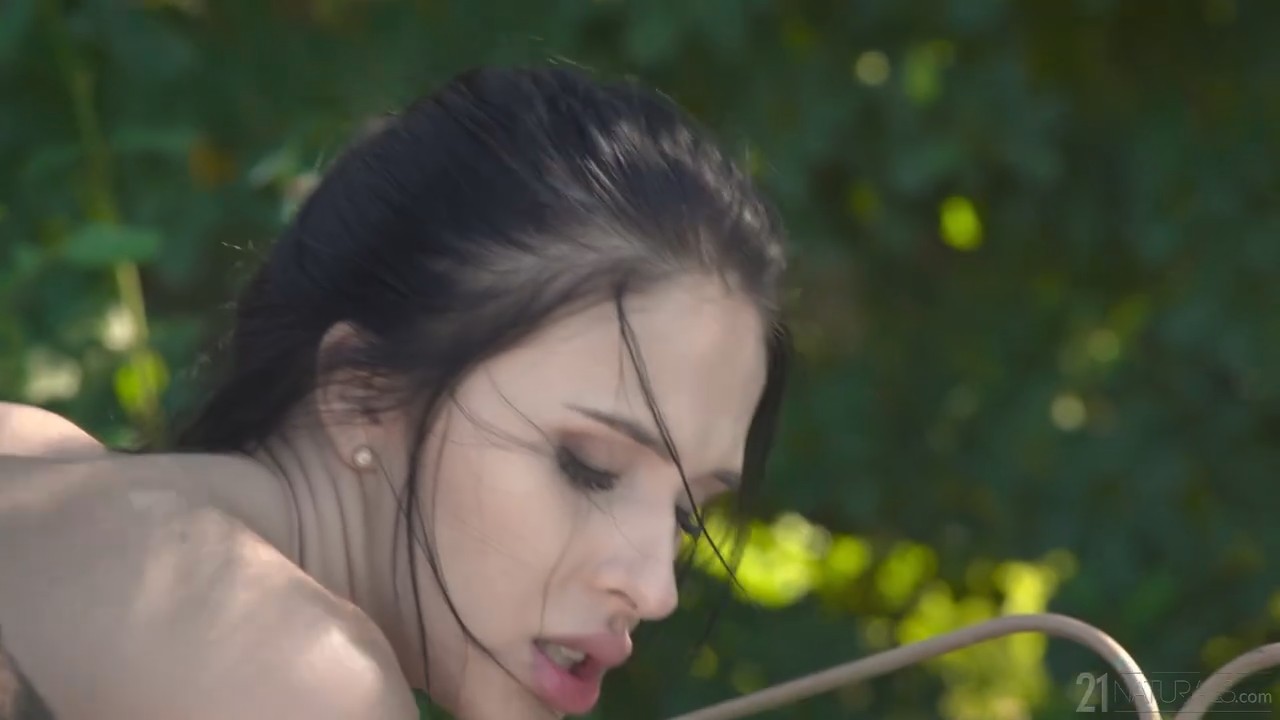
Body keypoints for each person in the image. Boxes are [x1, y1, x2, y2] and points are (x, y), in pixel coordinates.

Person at [0, 65, 790, 719]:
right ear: (362, 392)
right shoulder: (301, 674)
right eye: (589, 468)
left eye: (686, 516)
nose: (654, 589)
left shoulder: (28, 450)